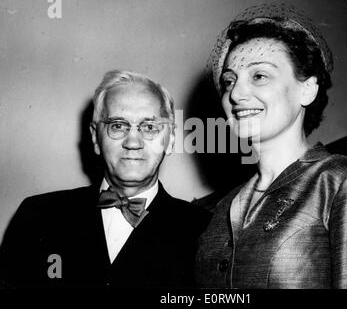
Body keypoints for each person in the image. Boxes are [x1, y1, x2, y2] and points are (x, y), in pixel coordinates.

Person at [195, 4, 347, 288]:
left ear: (307, 89)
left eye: (259, 76)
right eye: (229, 81)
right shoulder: (221, 209)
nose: (236, 93)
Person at [0, 70, 210, 288]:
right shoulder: (37, 216)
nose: (133, 142)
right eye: (118, 125)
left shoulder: (204, 230)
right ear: (95, 138)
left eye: (149, 127)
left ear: (170, 139)